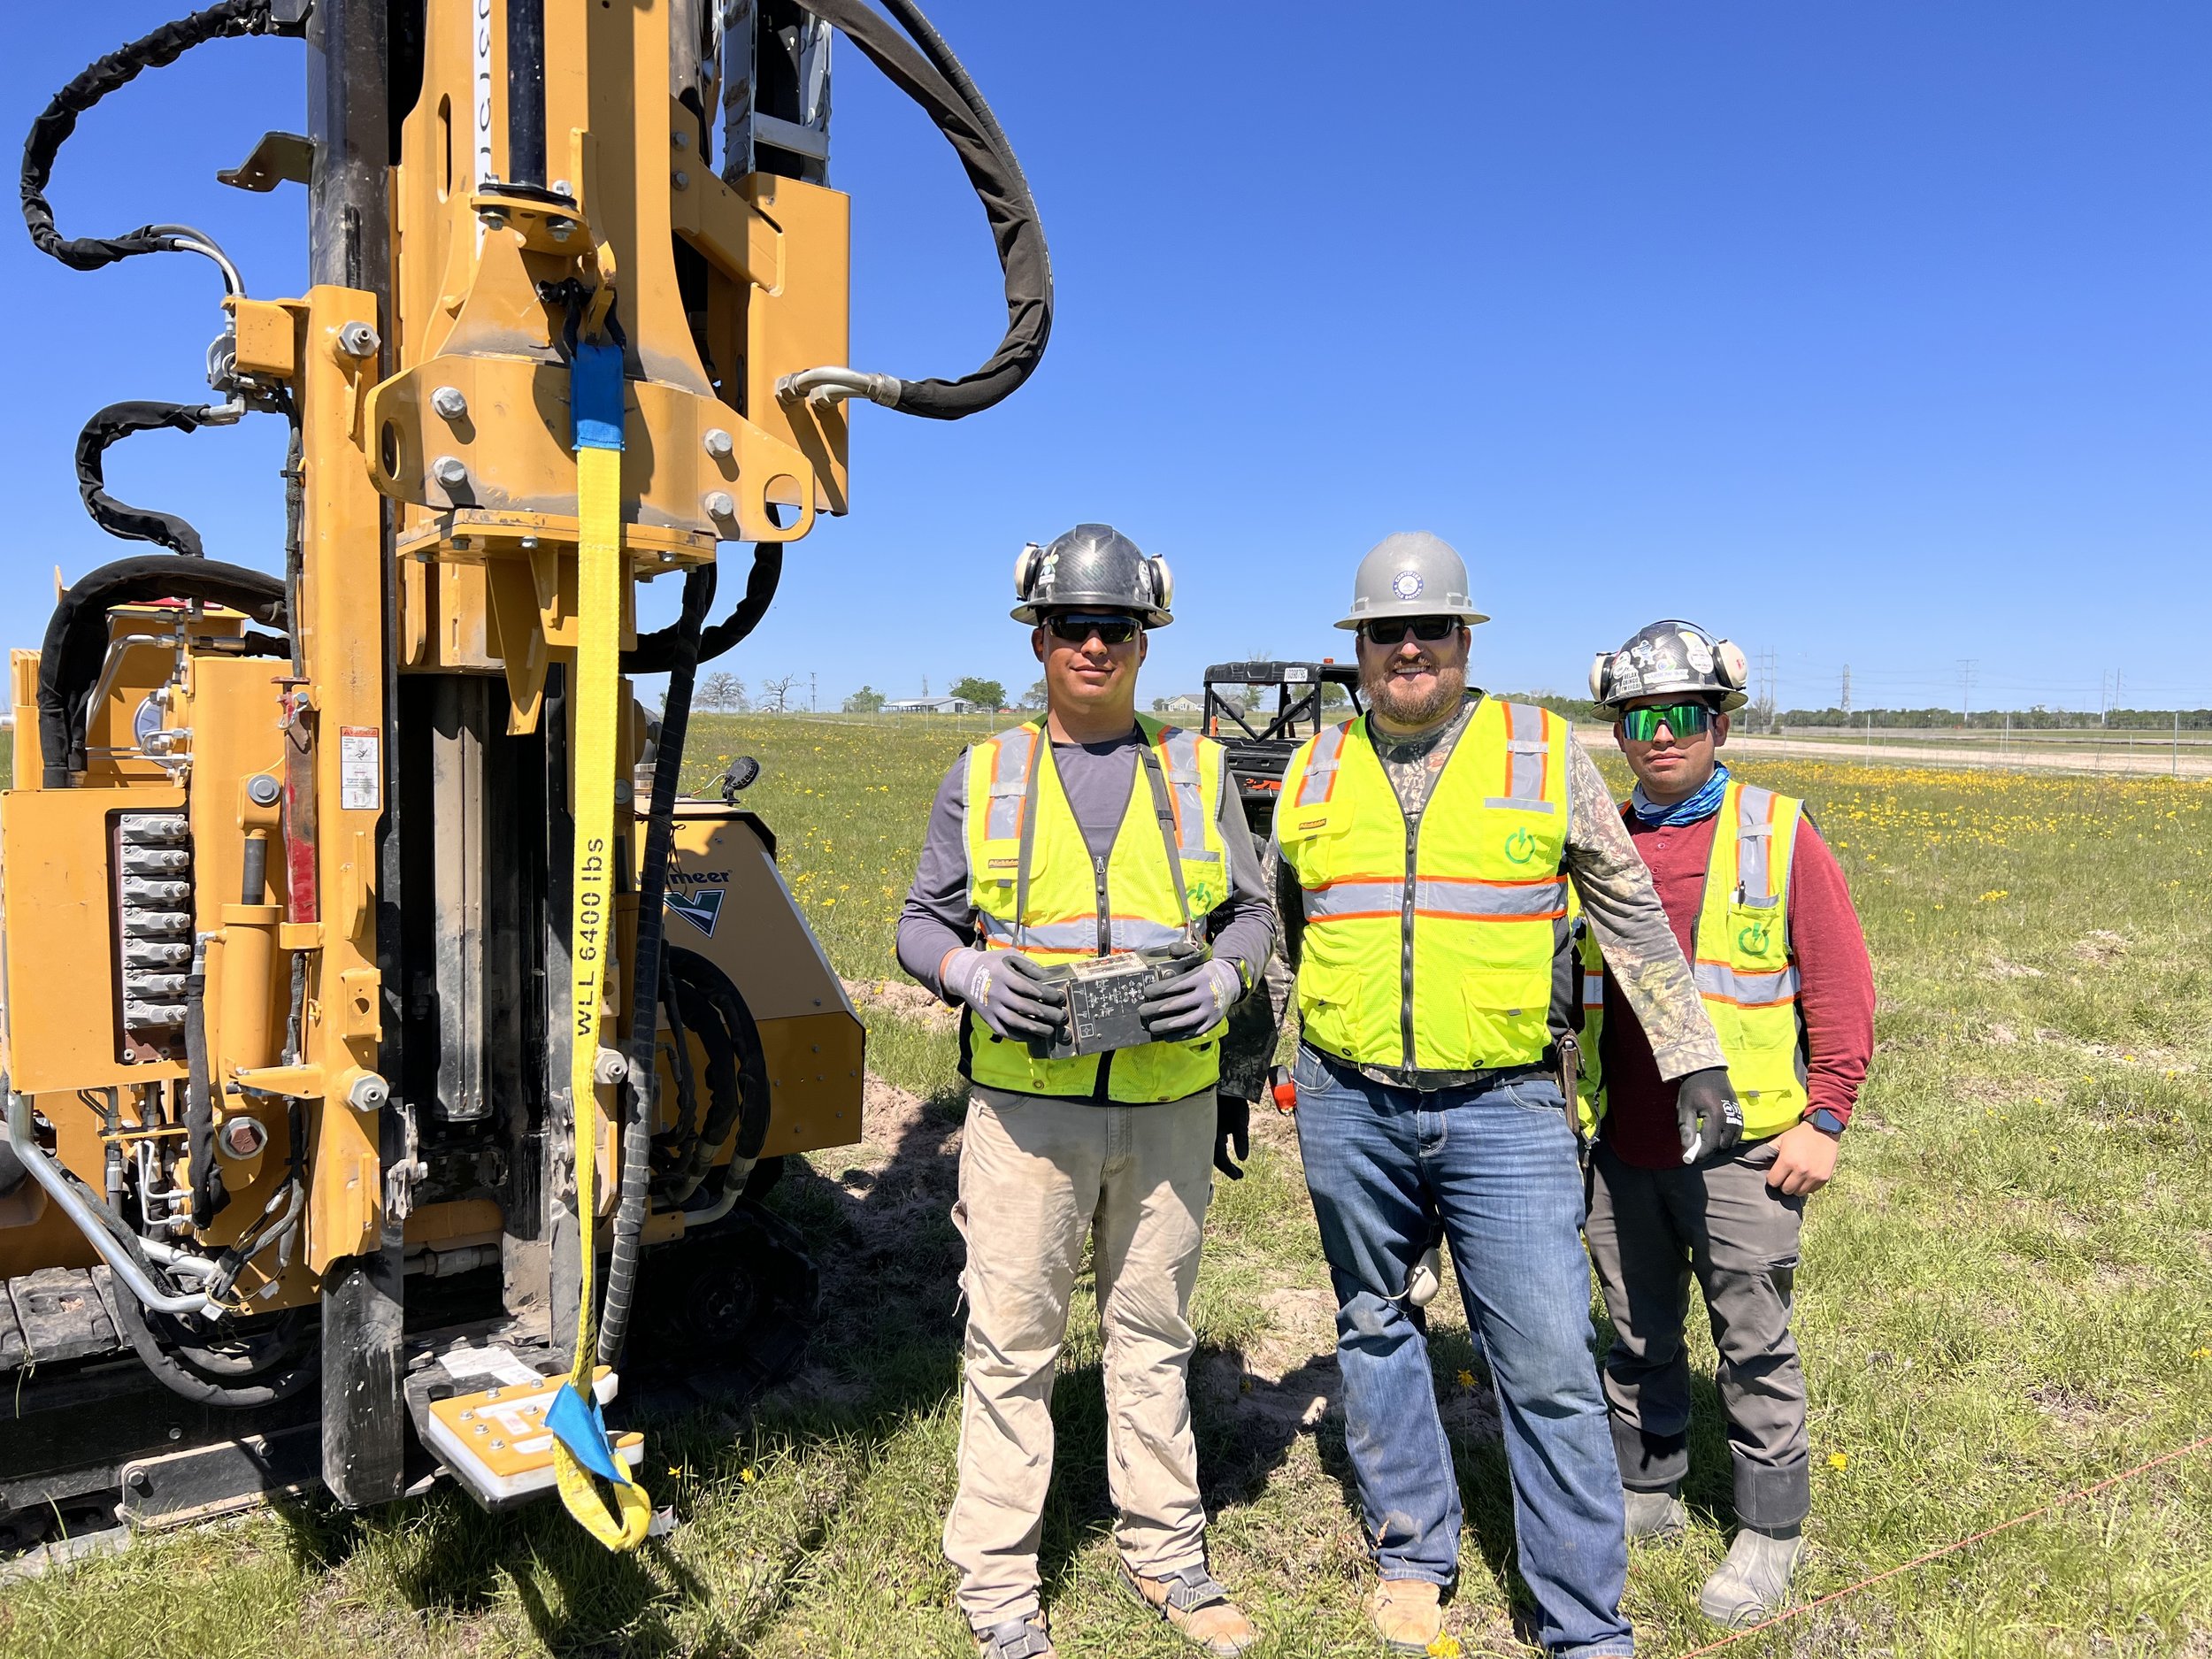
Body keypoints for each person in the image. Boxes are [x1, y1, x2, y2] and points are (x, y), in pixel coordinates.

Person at [1270, 533, 1739, 1659]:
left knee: (1544, 1360)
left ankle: (1583, 1620)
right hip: (1349, 1100)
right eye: (1387, 632)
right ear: (1360, 649)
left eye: (1430, 629)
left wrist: (1691, 1054)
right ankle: (1412, 1555)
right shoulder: (1316, 765)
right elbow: (1295, 924)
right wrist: (1273, 1054)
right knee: (1375, 1328)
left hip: (1506, 1108)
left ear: (1465, 637)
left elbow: (1625, 910)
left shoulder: (1541, 748)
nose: (1409, 650)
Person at [895, 524, 1277, 1659]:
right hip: (1026, 1114)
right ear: (1040, 636)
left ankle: (1166, 1553)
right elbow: (920, 923)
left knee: (1150, 1333)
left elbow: (1250, 913)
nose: (1095, 645)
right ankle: (999, 1584)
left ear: (1146, 641)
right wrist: (967, 971)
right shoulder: (986, 771)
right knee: (1013, 1344)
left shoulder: (1199, 770)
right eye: (1074, 625)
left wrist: (1224, 978)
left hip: (1167, 1109)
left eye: (1117, 627)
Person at [1575, 621, 1875, 1626]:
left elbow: (1840, 986)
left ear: (1719, 723)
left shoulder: (1777, 832)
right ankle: (1648, 1488)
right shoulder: (1598, 843)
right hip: (1624, 1145)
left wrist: (1824, 1119)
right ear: (1618, 730)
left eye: (1682, 716)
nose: (1660, 736)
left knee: (1751, 1340)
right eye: (1638, 718)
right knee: (1636, 1329)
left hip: (1745, 1152)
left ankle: (1768, 1528)